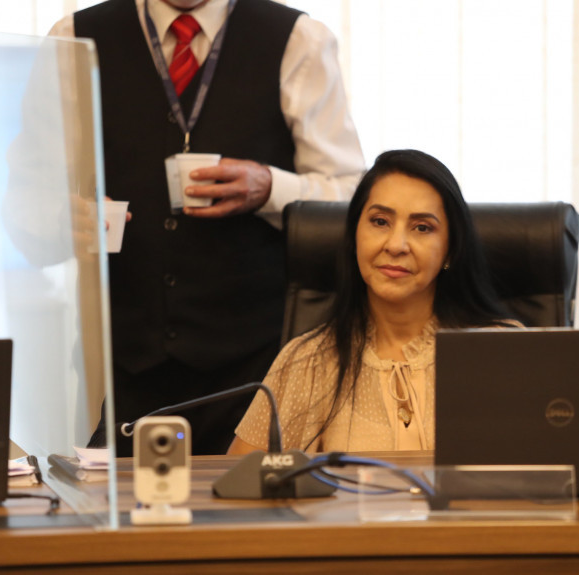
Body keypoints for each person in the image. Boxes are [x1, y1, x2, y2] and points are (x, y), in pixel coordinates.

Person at [49, 0, 365, 455]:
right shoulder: (74, 37)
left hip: (260, 369)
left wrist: (271, 186)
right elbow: (25, 194)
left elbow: (351, 192)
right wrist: (63, 216)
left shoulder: (298, 38)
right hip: (122, 367)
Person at [228, 149, 521, 454]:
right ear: (355, 234)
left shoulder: (502, 349)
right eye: (380, 221)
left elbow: (547, 478)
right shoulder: (307, 362)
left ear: (450, 250)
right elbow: (240, 484)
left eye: (422, 227)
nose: (396, 245)